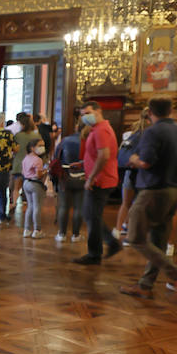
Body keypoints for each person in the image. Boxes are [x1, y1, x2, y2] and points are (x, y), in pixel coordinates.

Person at [117, 98, 177, 298]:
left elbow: (146, 162)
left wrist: (132, 159)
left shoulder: (153, 131)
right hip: (175, 190)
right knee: (158, 242)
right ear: (171, 110)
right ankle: (145, 285)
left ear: (149, 112)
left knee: (135, 237)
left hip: (153, 191)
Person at [73, 101, 122, 264]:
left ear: (98, 111)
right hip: (100, 178)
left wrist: (92, 177)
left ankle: (97, 252)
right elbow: (96, 154)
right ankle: (108, 245)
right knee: (92, 215)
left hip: (100, 180)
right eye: (82, 115)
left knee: (91, 216)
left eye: (87, 113)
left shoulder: (101, 130)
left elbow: (104, 156)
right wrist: (83, 162)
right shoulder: (98, 129)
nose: (84, 117)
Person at [115, 114, 149, 240]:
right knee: (138, 206)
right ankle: (131, 235)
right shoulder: (150, 135)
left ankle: (118, 230)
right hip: (143, 174)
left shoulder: (130, 134)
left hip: (129, 172)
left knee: (125, 203)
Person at [53, 122, 86, 242]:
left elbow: (56, 157)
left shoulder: (66, 140)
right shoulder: (89, 140)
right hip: (83, 176)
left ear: (77, 127)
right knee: (79, 207)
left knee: (64, 206)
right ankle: (76, 235)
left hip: (65, 175)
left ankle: (61, 234)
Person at [10, 113, 42, 212]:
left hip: (19, 163)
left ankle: (14, 203)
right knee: (30, 186)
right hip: (32, 164)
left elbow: (13, 148)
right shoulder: (36, 135)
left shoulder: (18, 135)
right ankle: (29, 205)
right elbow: (40, 149)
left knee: (16, 187)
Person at [21, 140, 49, 238]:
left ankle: (27, 229)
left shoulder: (26, 158)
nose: (42, 147)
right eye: (40, 145)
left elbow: (23, 171)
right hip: (36, 184)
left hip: (26, 182)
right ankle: (37, 230)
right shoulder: (38, 160)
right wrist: (45, 171)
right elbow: (39, 174)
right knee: (37, 207)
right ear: (32, 147)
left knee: (30, 206)